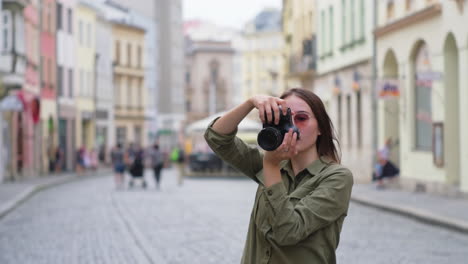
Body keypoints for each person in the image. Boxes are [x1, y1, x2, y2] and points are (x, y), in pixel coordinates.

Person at [204, 88, 353, 264]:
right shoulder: (270, 164)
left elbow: (289, 231)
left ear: (320, 127)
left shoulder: (337, 177)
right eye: (285, 119)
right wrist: (250, 103)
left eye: (302, 118)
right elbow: (217, 138)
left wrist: (271, 165)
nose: (293, 126)